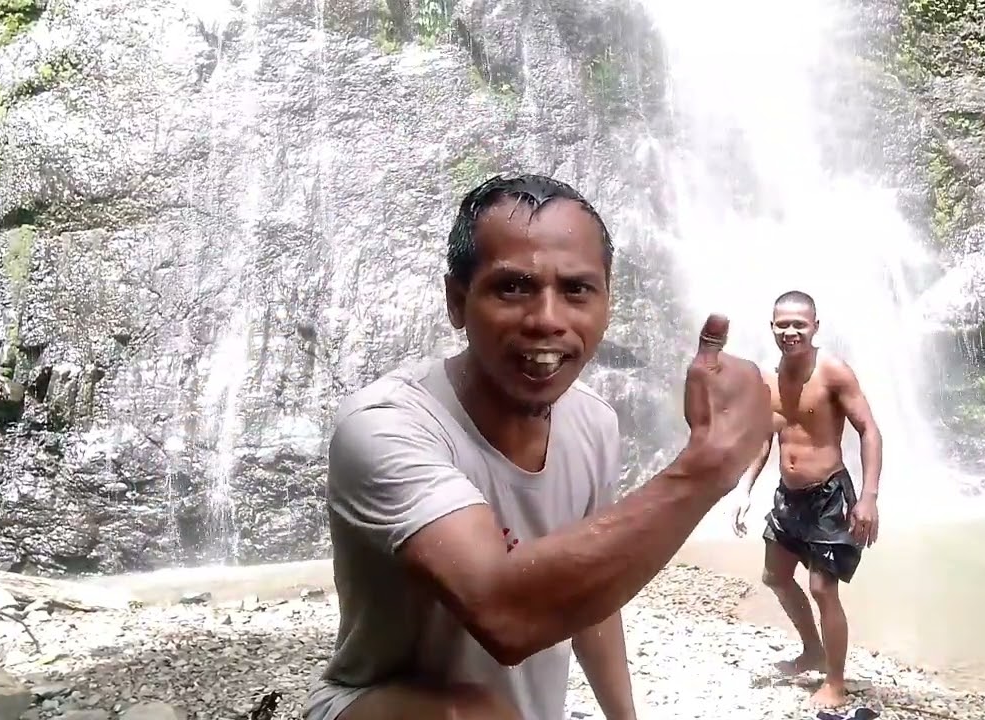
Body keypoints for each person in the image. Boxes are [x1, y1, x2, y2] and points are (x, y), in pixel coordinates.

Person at [302, 173, 772, 720]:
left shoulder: (594, 423)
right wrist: (708, 467)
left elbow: (590, 594)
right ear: (457, 301)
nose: (547, 320)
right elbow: (502, 612)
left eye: (577, 289)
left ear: (606, 301)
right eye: (513, 287)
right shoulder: (385, 426)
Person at [731, 289, 884, 709]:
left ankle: (835, 682)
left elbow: (869, 430)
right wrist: (744, 489)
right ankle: (812, 649)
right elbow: (766, 439)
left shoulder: (833, 372)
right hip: (788, 497)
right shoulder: (766, 379)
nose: (791, 331)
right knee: (775, 576)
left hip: (829, 496)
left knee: (822, 588)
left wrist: (868, 498)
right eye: (783, 324)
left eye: (800, 323)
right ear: (772, 328)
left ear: (815, 326)